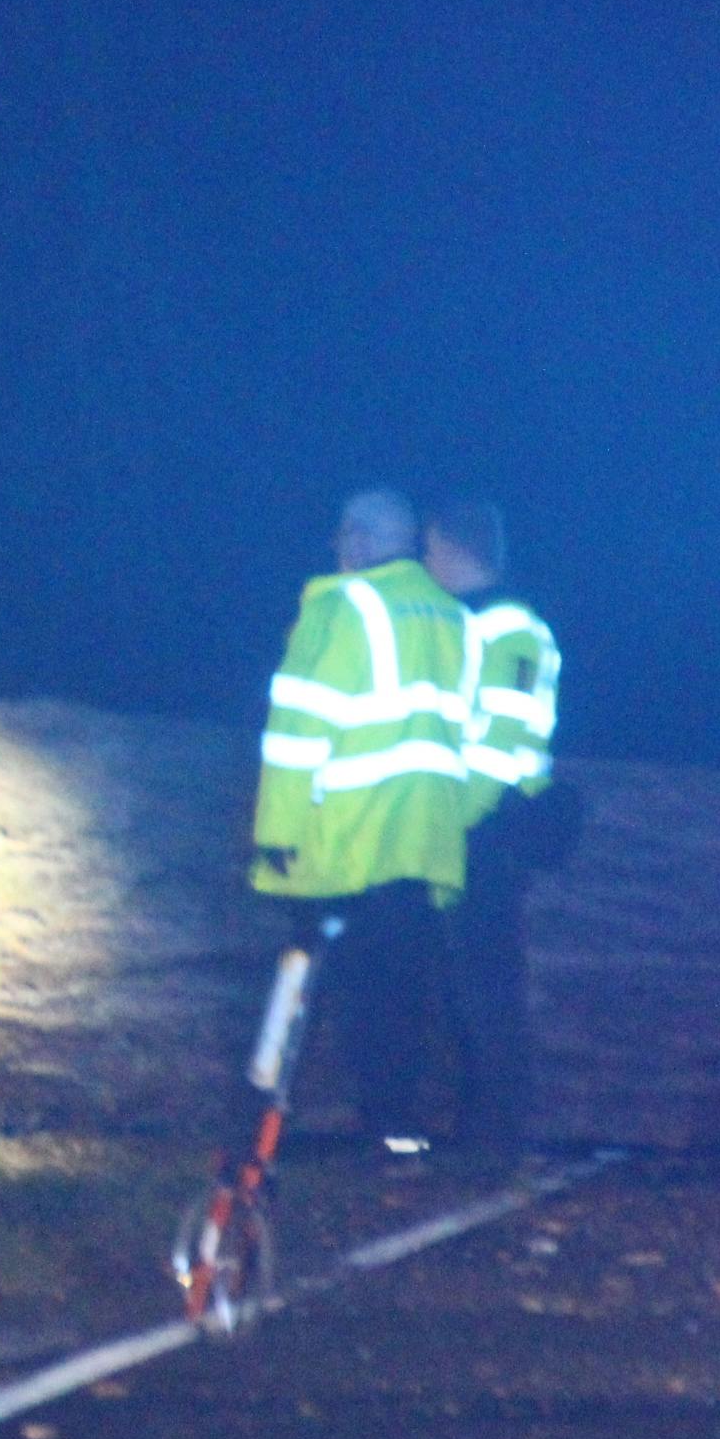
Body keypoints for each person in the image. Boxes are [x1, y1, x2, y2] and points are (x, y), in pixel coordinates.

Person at [254, 488, 474, 1158]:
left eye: (344, 533)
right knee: (398, 1000)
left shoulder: (341, 605)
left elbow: (297, 731)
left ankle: (265, 1125)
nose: (337, 546)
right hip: (423, 844)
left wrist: (278, 836)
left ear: (358, 537)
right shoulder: (455, 618)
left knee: (303, 990)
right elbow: (462, 734)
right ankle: (393, 1132)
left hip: (342, 841)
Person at [429, 498, 568, 1160]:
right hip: (482, 831)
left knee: (486, 997)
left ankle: (493, 1140)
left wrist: (442, 830)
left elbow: (491, 750)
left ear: (451, 550)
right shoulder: (489, 624)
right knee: (477, 994)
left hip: (484, 835)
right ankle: (482, 1133)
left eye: (430, 552)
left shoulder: (505, 628)